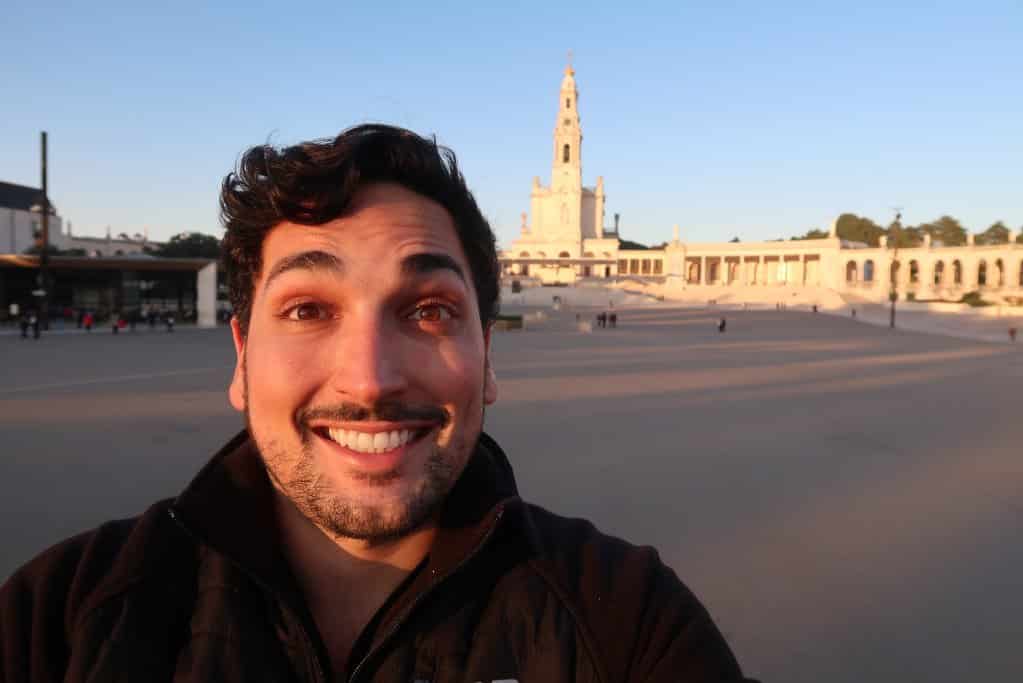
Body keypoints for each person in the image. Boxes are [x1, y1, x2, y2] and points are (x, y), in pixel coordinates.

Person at [0, 125, 755, 682]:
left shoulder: (624, 619)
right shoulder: (58, 619)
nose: (368, 380)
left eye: (428, 310)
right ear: (241, 356)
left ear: (488, 355)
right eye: (307, 309)